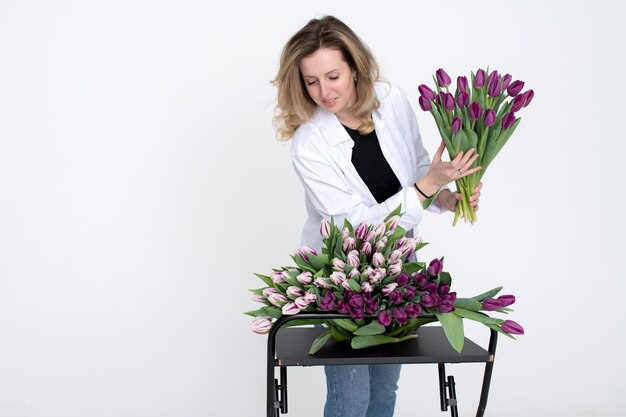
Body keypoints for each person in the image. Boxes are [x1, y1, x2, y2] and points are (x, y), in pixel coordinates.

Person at [272, 15, 482, 417]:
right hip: (343, 276)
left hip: (399, 271)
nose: (323, 91)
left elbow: (419, 166)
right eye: (311, 81)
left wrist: (448, 196)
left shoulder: (391, 99)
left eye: (333, 76)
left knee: (385, 393)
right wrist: (426, 188)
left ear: (355, 67)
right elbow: (355, 230)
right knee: (351, 402)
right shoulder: (309, 144)